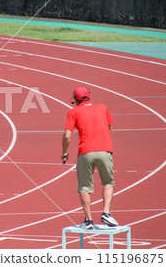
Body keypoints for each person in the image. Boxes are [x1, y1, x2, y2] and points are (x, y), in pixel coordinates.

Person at [61, 86, 118, 229]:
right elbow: (110, 128)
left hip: (85, 151)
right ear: (89, 96)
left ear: (75, 99)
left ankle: (88, 221)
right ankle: (106, 213)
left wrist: (64, 152)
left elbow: (67, 135)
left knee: (85, 187)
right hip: (105, 150)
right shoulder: (103, 108)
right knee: (108, 182)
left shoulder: (73, 112)